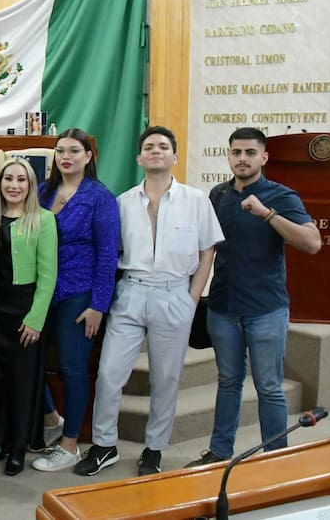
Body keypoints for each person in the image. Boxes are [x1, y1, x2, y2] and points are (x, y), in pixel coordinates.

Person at [75, 126, 223, 477]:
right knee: (109, 374)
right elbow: (110, 252)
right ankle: (104, 445)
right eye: (149, 146)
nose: (156, 150)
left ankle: (154, 449)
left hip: (175, 293)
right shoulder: (122, 202)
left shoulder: (196, 200)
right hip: (130, 292)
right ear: (139, 158)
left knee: (166, 378)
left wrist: (191, 299)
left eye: (163, 146)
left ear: (175, 156)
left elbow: (208, 250)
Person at [186, 127, 321, 468]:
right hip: (223, 306)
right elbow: (204, 248)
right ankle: (219, 451)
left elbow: (312, 243)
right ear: (228, 156)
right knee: (228, 381)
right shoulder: (217, 195)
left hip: (265, 308)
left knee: (269, 387)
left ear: (264, 157)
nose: (242, 159)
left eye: (250, 153)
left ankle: (275, 459)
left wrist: (267, 214)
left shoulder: (281, 195)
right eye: (236, 152)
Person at [33, 128, 119, 472]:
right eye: (60, 151)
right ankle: (51, 417)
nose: (65, 157)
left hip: (78, 292)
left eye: (73, 151)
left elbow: (108, 254)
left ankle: (70, 445)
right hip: (40, 289)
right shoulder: (42, 191)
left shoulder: (100, 197)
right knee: (28, 361)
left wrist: (99, 305)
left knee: (72, 368)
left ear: (88, 156)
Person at [0, 158, 58, 476]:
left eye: (21, 180)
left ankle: (18, 448)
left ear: (31, 185)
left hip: (24, 307)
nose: (14, 185)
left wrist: (36, 319)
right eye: (8, 179)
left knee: (22, 382)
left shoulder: (44, 220)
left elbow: (48, 275)